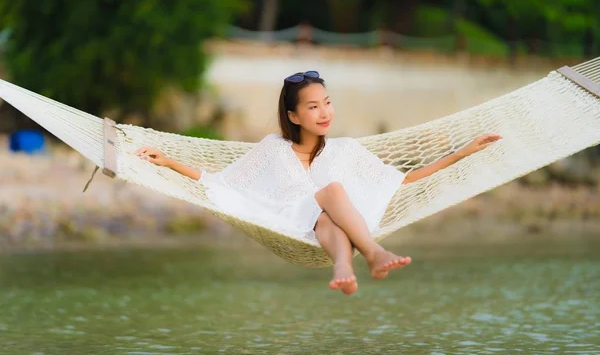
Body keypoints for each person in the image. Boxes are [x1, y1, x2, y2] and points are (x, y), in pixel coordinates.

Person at [136, 71, 501, 296]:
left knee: (328, 207)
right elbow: (223, 184)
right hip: (289, 222)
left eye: (327, 102)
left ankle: (344, 268)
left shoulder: (346, 150)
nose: (324, 112)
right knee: (331, 192)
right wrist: (169, 161)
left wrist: (462, 152)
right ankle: (373, 254)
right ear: (293, 115)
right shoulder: (272, 151)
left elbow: (400, 180)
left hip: (336, 225)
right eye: (313, 107)